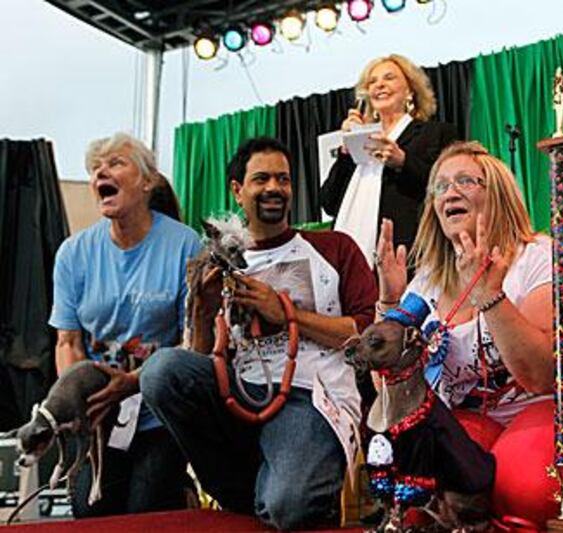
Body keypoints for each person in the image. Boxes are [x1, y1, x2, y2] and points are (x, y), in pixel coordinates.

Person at [140, 136, 377, 530]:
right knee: (161, 371)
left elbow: (365, 336)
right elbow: (199, 357)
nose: (274, 189)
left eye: (283, 180)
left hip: (311, 396)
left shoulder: (334, 246)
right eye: (261, 179)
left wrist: (287, 315)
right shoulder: (216, 261)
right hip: (238, 393)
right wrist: (203, 310)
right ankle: (259, 491)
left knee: (287, 506)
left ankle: (280, 492)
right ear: (237, 190)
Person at [374, 141, 563, 528]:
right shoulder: (425, 281)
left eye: (465, 180)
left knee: (528, 487)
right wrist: (389, 305)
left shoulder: (542, 258)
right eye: (440, 186)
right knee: (415, 489)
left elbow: (542, 374)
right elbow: (392, 395)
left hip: (562, 406)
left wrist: (489, 296)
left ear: (497, 194)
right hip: (472, 419)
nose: (451, 192)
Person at [49, 133, 202, 517]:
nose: (102, 171)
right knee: (90, 512)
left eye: (116, 162)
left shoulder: (186, 246)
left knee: (145, 511)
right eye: (95, 168)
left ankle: (178, 489)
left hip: (158, 411)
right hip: (98, 418)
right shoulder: (73, 254)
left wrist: (132, 384)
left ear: (147, 181)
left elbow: (194, 344)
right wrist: (77, 405)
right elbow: (67, 341)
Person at [320, 53, 458, 268]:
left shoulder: (434, 133)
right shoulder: (359, 139)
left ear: (410, 90)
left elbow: (445, 189)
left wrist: (403, 161)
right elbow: (328, 202)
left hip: (406, 257)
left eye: (389, 78)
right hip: (349, 266)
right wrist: (346, 149)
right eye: (372, 81)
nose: (379, 85)